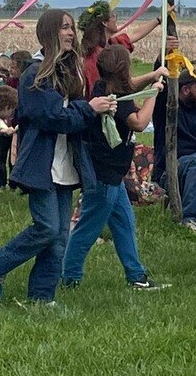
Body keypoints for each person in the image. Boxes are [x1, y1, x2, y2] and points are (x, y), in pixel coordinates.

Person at [0, 11, 115, 305]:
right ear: (50, 33)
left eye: (71, 28)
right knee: (47, 227)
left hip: (66, 165)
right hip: (41, 164)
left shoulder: (71, 72)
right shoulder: (34, 74)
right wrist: (88, 109)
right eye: (65, 27)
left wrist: (100, 110)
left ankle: (42, 298)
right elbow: (53, 117)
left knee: (59, 238)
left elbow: (77, 115)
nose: (71, 33)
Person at [62, 44, 167, 290]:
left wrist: (152, 76)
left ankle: (136, 276)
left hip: (113, 175)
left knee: (125, 225)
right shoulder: (116, 100)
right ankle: (70, 277)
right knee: (87, 229)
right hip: (104, 175)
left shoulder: (104, 88)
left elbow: (129, 87)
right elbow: (139, 123)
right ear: (123, 68)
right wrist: (153, 92)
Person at [153, 60, 196, 230]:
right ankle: (189, 218)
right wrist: (168, 54)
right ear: (185, 89)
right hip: (172, 171)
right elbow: (163, 76)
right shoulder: (167, 108)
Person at [78, 0, 163, 92]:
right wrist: (153, 75)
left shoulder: (111, 44)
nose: (116, 18)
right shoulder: (94, 57)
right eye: (113, 15)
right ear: (104, 23)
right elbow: (122, 85)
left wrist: (160, 19)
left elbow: (135, 34)